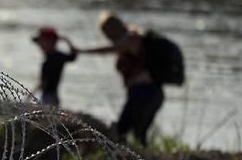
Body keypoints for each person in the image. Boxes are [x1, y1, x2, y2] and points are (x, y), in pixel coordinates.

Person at [76, 12, 164, 146]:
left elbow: (108, 50)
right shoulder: (132, 42)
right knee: (138, 132)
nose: (107, 36)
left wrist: (81, 51)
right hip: (149, 93)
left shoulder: (131, 39)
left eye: (107, 32)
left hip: (144, 93)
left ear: (114, 29)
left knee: (122, 130)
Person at [32, 27, 77, 107]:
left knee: (47, 116)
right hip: (52, 95)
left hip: (49, 96)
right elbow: (72, 57)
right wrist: (67, 41)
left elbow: (43, 83)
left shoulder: (52, 59)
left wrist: (30, 95)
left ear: (51, 42)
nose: (39, 45)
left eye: (41, 42)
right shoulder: (56, 56)